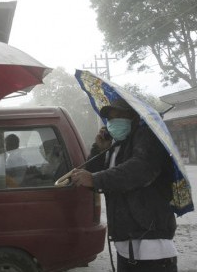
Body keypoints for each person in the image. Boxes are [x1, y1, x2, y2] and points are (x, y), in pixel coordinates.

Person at [70, 98, 178, 272]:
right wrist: (99, 149)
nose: (115, 121)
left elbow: (140, 170)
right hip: (126, 242)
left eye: (120, 115)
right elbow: (91, 178)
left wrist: (96, 179)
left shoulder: (148, 136)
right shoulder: (117, 146)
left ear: (134, 116)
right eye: (111, 118)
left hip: (151, 244)